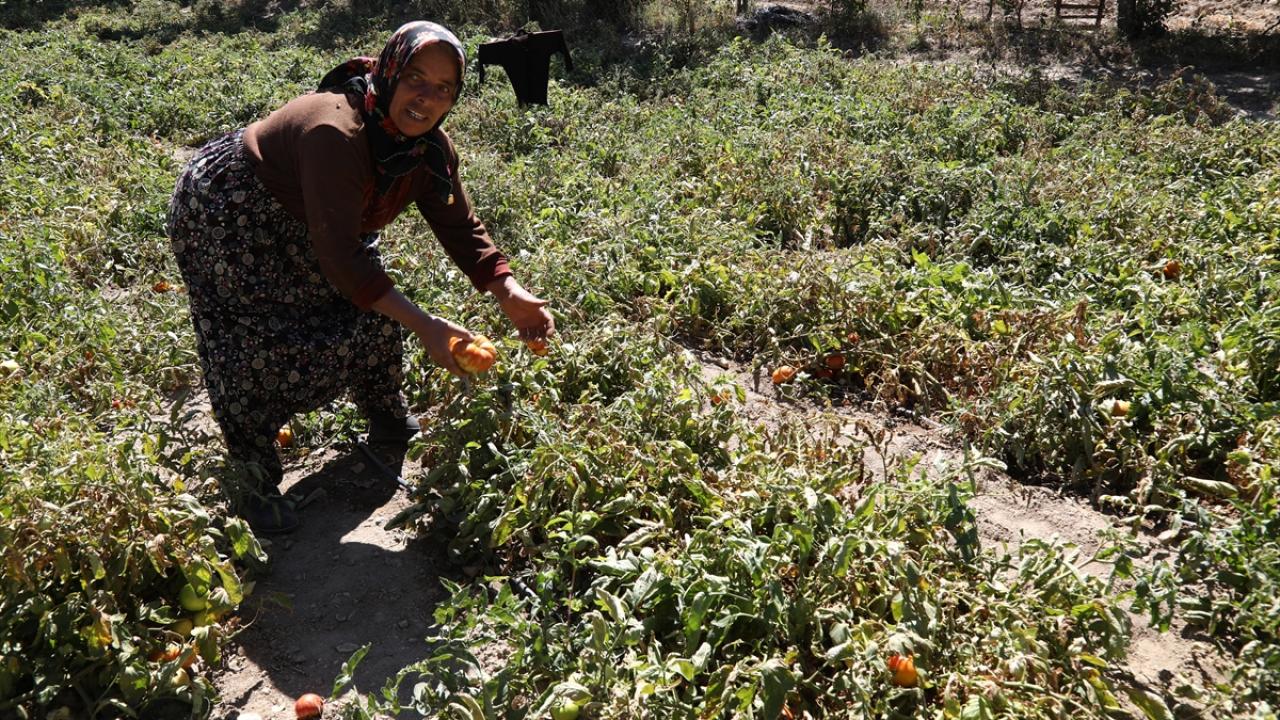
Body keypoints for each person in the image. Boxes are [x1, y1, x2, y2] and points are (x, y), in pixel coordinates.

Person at [165, 21, 552, 534]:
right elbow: (345, 260)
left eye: (444, 88)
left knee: (367, 306)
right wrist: (427, 324)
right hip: (234, 213)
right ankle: (253, 478)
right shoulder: (336, 132)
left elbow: (458, 224)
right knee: (248, 341)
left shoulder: (428, 149)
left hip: (319, 216)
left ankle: (385, 414)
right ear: (390, 70)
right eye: (415, 77)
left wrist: (508, 289)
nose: (426, 98)